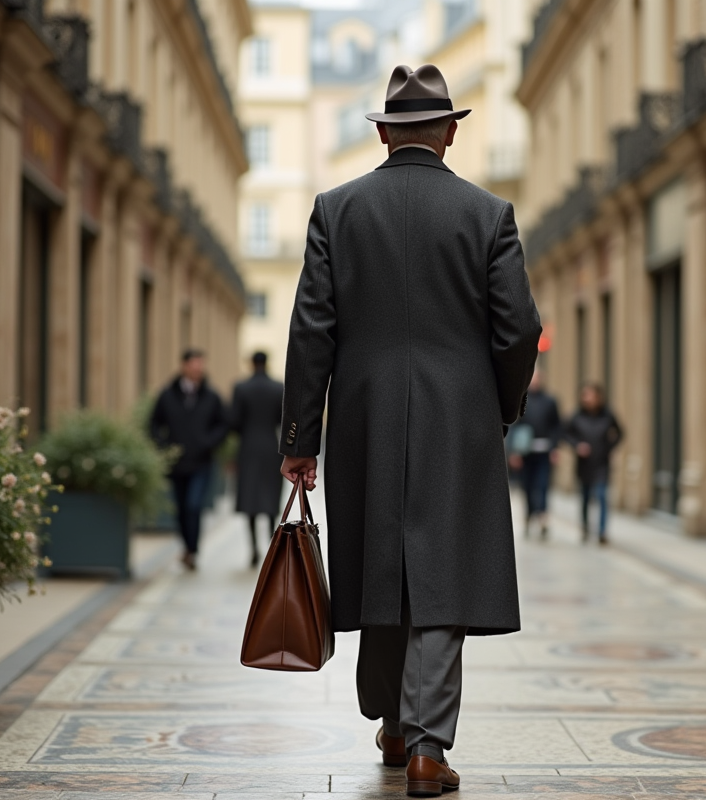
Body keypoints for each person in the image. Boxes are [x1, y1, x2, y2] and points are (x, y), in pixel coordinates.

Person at [278, 64, 540, 796]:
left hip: (363, 414)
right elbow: (519, 328)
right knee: (443, 573)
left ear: (386, 133)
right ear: (452, 132)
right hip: (459, 417)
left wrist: (301, 437)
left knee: (382, 563)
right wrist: (501, 404)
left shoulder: (336, 208)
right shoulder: (489, 214)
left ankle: (394, 722)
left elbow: (311, 331)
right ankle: (425, 745)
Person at [149, 349, 229, 571]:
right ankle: (187, 547)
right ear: (184, 366)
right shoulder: (167, 395)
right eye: (194, 364)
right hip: (176, 464)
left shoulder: (212, 396)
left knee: (194, 506)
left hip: (202, 462)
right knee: (182, 508)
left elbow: (223, 425)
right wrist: (165, 447)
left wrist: (208, 443)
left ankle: (192, 551)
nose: (198, 369)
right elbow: (154, 424)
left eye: (200, 364)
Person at [229, 352, 285, 568]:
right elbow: (283, 419)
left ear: (252, 363)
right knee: (270, 498)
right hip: (272, 447)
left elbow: (233, 421)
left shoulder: (241, 388)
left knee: (250, 499)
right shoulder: (278, 388)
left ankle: (253, 548)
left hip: (249, 448)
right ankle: (272, 546)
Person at [564, 383, 624, 545]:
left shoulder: (607, 415)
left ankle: (602, 531)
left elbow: (619, 433)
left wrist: (609, 448)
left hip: (601, 463)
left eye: (590, 395)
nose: (586, 399)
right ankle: (585, 527)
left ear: (598, 397)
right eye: (584, 395)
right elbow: (567, 434)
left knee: (602, 496)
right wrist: (577, 446)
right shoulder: (577, 415)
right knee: (584, 497)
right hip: (584, 464)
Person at [508, 370, 562, 539]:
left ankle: (543, 516)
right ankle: (530, 514)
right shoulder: (521, 401)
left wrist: (555, 447)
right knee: (528, 486)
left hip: (544, 452)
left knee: (543, 485)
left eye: (538, 378)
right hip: (525, 452)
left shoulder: (550, 401)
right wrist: (514, 452)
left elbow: (556, 426)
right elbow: (514, 426)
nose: (535, 382)